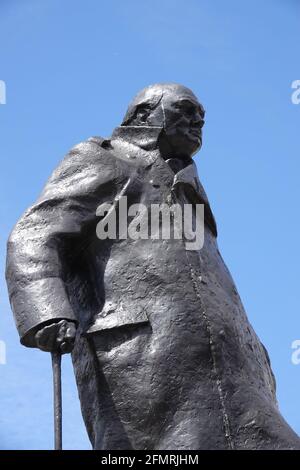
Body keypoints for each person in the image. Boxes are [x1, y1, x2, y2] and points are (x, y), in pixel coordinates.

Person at [6, 83, 300, 449]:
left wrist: (255, 349)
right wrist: (47, 312)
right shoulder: (107, 158)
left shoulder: (192, 190)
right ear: (144, 115)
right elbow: (36, 233)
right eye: (186, 110)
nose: (198, 120)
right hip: (146, 357)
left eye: (202, 116)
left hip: (238, 370)